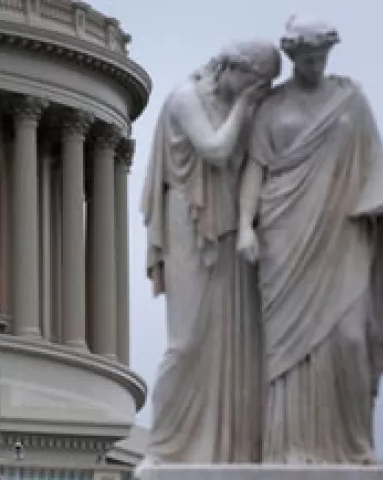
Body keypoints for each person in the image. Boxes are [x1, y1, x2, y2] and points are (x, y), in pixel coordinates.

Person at [237, 16, 383, 464]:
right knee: (287, 354)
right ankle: (289, 449)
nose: (316, 65)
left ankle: (354, 447)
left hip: (343, 233)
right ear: (293, 57)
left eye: (322, 57)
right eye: (308, 58)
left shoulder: (351, 102)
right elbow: (255, 170)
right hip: (283, 232)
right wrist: (244, 226)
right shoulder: (272, 108)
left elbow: (375, 162)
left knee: (351, 340)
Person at [138, 40, 281, 470]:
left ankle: (227, 449)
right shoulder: (186, 98)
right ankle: (164, 447)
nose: (259, 91)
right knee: (186, 343)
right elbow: (216, 150)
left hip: (229, 229)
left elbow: (260, 161)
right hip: (190, 224)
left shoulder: (243, 103)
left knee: (232, 343)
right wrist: (245, 105)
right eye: (256, 82)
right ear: (232, 69)